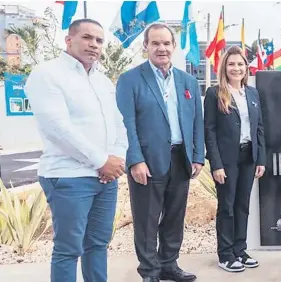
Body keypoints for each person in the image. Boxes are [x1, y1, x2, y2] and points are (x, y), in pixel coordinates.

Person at [24, 19, 127, 282]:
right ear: (69, 40)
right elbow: (58, 128)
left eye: (99, 40)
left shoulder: (103, 81)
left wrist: (116, 159)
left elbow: (118, 124)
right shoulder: (47, 74)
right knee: (68, 250)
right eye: (87, 37)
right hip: (69, 176)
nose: (94, 44)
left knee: (98, 245)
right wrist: (102, 161)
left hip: (105, 179)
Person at [115, 23, 204, 282]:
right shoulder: (130, 79)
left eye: (166, 43)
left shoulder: (188, 81)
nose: (161, 48)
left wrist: (197, 156)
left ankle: (168, 264)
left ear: (174, 47)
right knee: (147, 220)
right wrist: (135, 160)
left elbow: (196, 120)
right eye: (155, 43)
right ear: (146, 47)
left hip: (181, 159)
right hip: (147, 162)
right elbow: (126, 124)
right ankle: (150, 271)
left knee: (175, 217)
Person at [203, 46, 266, 273]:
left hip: (249, 156)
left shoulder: (252, 94)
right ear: (224, 67)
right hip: (226, 160)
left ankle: (240, 249)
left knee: (242, 205)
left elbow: (259, 128)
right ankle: (226, 254)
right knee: (227, 207)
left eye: (240, 64)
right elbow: (208, 131)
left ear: (245, 67)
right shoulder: (214, 94)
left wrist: (261, 159)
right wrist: (216, 164)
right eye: (231, 64)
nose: (236, 68)